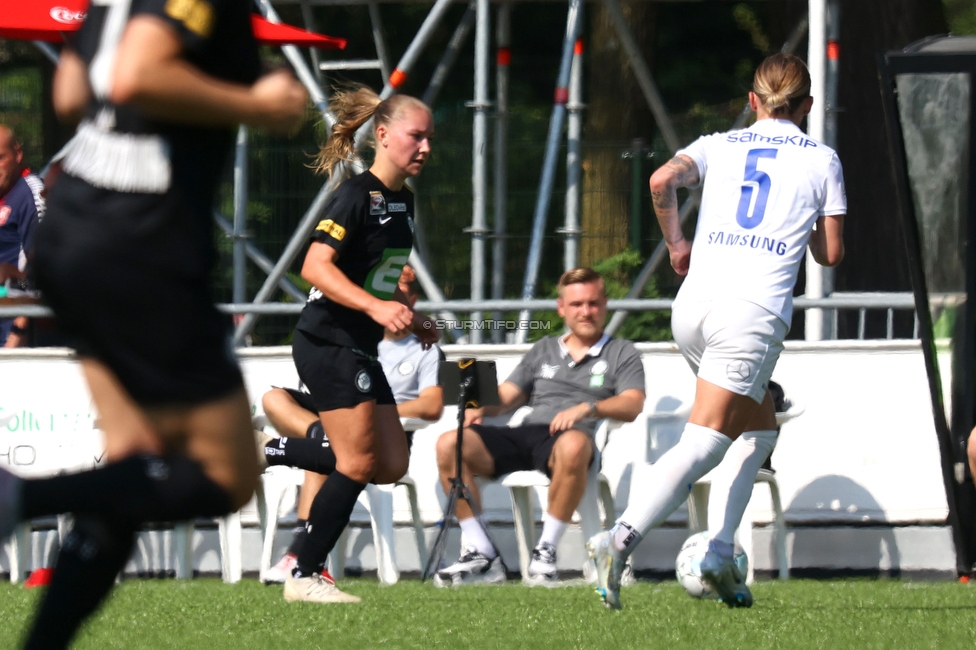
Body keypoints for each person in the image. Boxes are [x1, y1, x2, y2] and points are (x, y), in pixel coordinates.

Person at [0, 1, 308, 646]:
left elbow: (71, 88)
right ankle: (16, 500)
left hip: (76, 228)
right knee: (227, 478)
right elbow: (137, 74)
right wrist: (258, 103)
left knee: (132, 470)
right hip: (141, 242)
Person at [587, 52, 845, 610]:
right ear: (806, 106)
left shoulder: (719, 144)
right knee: (705, 441)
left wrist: (678, 244)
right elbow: (831, 254)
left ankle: (720, 554)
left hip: (693, 308)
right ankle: (618, 539)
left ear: (752, 101)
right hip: (749, 313)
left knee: (760, 422)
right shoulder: (822, 159)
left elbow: (661, 181)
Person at [262, 85, 436, 604]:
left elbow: (377, 278)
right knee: (356, 463)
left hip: (357, 343)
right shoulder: (357, 194)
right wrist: (376, 308)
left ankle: (277, 449)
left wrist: (408, 315)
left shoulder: (403, 200)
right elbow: (314, 266)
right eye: (416, 136)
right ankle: (304, 574)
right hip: (327, 340)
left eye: (430, 138)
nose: (425, 147)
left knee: (390, 463)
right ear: (382, 136)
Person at [433, 267, 646, 586]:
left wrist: (589, 407)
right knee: (450, 443)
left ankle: (544, 553)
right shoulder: (543, 348)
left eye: (593, 303)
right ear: (562, 308)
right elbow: (506, 397)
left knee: (573, 445)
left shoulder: (621, 352)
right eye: (576, 304)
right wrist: (475, 402)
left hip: (573, 440)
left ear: (605, 304)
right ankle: (482, 553)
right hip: (527, 434)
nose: (585, 312)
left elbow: (633, 403)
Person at [260, 265, 444, 582]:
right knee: (273, 399)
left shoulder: (424, 347)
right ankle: (319, 441)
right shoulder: (350, 336)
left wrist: (380, 413)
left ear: (410, 300)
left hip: (380, 428)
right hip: (337, 415)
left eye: (399, 294)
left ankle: (297, 552)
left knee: (331, 452)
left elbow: (433, 404)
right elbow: (317, 264)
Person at [0, 126, 44, 348]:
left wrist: (15, 338)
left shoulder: (31, 196)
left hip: (16, 339)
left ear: (18, 155)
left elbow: (46, 274)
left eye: (0, 158)